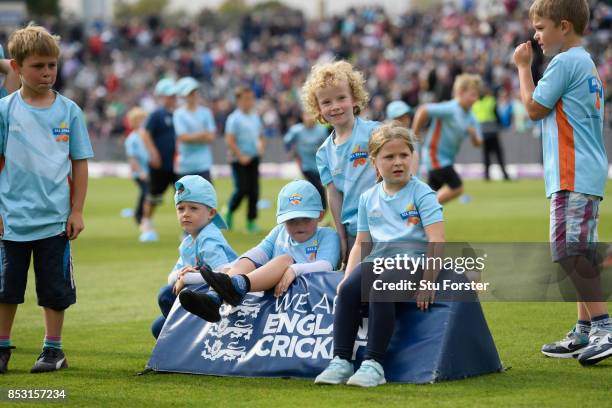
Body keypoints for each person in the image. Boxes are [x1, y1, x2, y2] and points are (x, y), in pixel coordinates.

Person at [513, 0, 611, 366]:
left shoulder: (564, 62)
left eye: (540, 27)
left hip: (572, 173)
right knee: (579, 250)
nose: (535, 35)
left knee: (568, 252)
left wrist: (524, 68)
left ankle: (604, 326)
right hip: (583, 171)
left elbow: (534, 108)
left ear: (564, 26)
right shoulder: (584, 61)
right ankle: (585, 329)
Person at [314, 122, 444, 387]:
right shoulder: (368, 197)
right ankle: (340, 361)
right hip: (378, 262)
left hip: (413, 263)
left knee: (381, 286)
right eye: (389, 156)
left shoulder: (423, 193)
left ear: (412, 157)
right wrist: (347, 277)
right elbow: (363, 242)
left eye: (404, 155)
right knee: (349, 290)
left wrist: (429, 281)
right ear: (374, 162)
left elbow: (437, 240)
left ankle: (373, 364)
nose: (398, 162)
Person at [0, 24, 94, 373]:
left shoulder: (69, 111)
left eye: (51, 65)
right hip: (10, 221)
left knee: (54, 290)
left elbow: (79, 164)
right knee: (5, 289)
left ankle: (53, 350)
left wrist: (78, 210)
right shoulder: (5, 111)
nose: (47, 72)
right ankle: (2, 346)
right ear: (16, 67)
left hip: (55, 220)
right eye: (38, 66)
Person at [179, 180, 340, 322]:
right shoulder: (279, 232)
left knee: (285, 259)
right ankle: (214, 298)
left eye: (305, 218)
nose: (299, 225)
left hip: (307, 297)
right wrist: (223, 271)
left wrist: (295, 269)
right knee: (248, 259)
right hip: (274, 291)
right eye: (291, 220)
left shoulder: (328, 235)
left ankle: (236, 286)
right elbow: (256, 254)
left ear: (320, 215)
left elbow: (327, 265)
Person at [302, 61, 379, 265]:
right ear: (317, 108)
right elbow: (334, 194)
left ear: (354, 98)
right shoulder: (323, 153)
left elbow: (407, 153)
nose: (335, 106)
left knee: (392, 287)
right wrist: (341, 236)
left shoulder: (375, 133)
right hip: (354, 230)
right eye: (326, 102)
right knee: (357, 290)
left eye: (341, 98)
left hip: (387, 225)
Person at [151, 175, 237, 338]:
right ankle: (186, 345)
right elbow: (172, 277)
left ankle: (195, 341)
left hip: (222, 302)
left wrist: (187, 278)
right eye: (181, 208)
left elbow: (223, 276)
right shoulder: (188, 242)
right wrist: (182, 275)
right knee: (158, 328)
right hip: (198, 295)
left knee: (166, 295)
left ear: (211, 213)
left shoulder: (209, 238)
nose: (186, 214)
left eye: (193, 208)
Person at [412, 74, 484, 204]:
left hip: (446, 160)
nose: (475, 99)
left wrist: (473, 135)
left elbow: (478, 143)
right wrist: (414, 135)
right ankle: (425, 209)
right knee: (457, 188)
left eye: (477, 95)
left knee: (429, 192)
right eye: (473, 95)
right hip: (435, 156)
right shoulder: (450, 108)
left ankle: (417, 213)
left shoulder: (471, 117)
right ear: (461, 92)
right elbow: (423, 110)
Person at [139, 78, 178, 242]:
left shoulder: (179, 114)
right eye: (169, 95)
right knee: (154, 196)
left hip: (176, 165)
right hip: (159, 164)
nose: (173, 98)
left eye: (174, 95)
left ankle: (188, 231)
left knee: (182, 197)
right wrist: (153, 153)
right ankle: (146, 224)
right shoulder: (157, 114)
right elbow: (144, 133)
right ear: (162, 96)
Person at [224, 86, 265, 233]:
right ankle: (229, 210)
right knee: (242, 189)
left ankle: (251, 221)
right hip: (238, 159)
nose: (249, 102)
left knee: (254, 191)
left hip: (253, 158)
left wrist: (261, 148)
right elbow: (229, 140)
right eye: (246, 99)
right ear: (238, 100)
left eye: (251, 98)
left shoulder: (255, 117)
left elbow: (260, 136)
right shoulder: (233, 119)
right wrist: (241, 156)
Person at [173, 77, 216, 182]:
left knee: (206, 197)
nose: (193, 95)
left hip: (203, 164)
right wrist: (202, 135)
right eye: (190, 93)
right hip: (185, 165)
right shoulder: (179, 114)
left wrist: (192, 137)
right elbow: (183, 137)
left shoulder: (206, 112)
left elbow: (211, 136)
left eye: (194, 92)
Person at [284, 111, 329, 210]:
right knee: (318, 188)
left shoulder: (321, 130)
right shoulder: (296, 130)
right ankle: (322, 210)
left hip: (319, 166)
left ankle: (314, 210)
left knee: (319, 189)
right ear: (302, 116)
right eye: (307, 115)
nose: (309, 118)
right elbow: (287, 142)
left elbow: (328, 146)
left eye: (312, 115)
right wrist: (292, 152)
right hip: (305, 165)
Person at [472, 87, 510, 181]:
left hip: (482, 132)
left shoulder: (475, 104)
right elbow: (497, 115)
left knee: (486, 154)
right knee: (498, 154)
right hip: (492, 132)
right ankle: (504, 174)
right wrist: (502, 125)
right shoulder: (491, 101)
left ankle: (487, 175)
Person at [124, 107, 149, 226]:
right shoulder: (132, 138)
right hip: (140, 173)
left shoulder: (146, 135)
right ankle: (139, 216)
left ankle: (142, 215)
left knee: (147, 194)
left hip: (148, 171)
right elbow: (132, 158)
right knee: (146, 193)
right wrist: (141, 172)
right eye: (140, 119)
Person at [386, 100, 419, 176]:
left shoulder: (411, 135)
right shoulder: (386, 138)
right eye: (400, 118)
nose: (405, 120)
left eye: (406, 116)